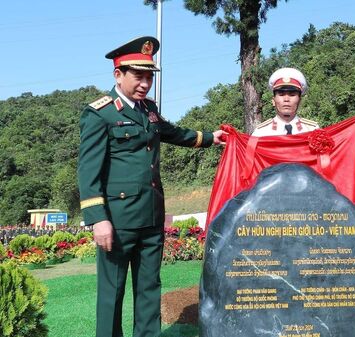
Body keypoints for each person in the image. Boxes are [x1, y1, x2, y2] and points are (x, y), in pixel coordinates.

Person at [77, 36, 226, 337]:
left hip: (151, 216)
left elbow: (173, 132)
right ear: (118, 74)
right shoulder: (100, 113)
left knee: (149, 290)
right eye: (138, 75)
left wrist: (211, 137)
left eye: (149, 76)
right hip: (116, 221)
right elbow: (88, 171)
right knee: (112, 293)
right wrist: (98, 219)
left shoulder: (149, 110)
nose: (145, 83)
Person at [252, 67, 319, 136]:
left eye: (292, 95)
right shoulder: (261, 132)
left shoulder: (312, 130)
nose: (286, 99)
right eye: (281, 94)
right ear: (273, 101)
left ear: (300, 101)